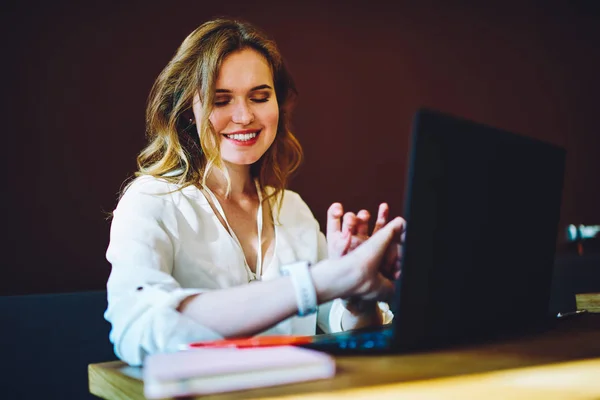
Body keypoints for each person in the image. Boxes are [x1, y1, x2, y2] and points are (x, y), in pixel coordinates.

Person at [105, 17, 405, 367]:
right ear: (189, 109)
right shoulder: (151, 201)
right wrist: (322, 280)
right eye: (221, 100)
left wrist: (356, 299)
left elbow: (345, 327)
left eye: (260, 97)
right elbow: (138, 331)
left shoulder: (290, 210)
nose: (245, 116)